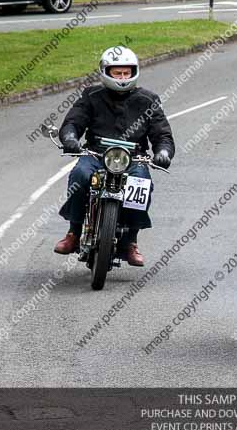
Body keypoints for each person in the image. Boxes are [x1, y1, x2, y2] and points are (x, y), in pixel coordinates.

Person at [53, 46, 174, 266]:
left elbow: (162, 134)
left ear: (134, 72)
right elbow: (73, 122)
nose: (122, 77)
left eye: (126, 73)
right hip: (96, 154)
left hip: (133, 158)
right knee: (80, 174)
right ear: (106, 73)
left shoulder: (148, 100)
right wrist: (70, 138)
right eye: (117, 73)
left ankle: (130, 241)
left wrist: (163, 152)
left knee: (142, 183)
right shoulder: (91, 95)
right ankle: (74, 231)